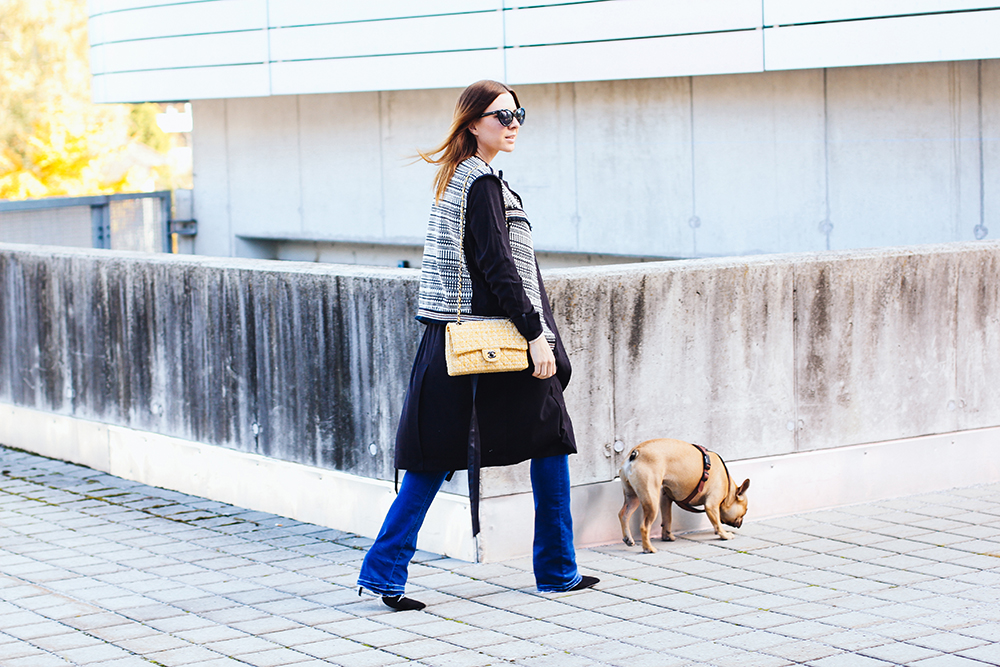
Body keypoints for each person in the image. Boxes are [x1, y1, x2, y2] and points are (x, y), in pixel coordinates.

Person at [357, 80, 598, 611]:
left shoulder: (461, 178)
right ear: (472, 123)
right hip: (494, 342)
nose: (512, 125)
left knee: (442, 455)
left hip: (457, 341)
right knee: (547, 439)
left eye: (518, 115)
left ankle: (383, 571)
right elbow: (499, 266)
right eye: (500, 116)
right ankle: (556, 571)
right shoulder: (482, 184)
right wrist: (537, 336)